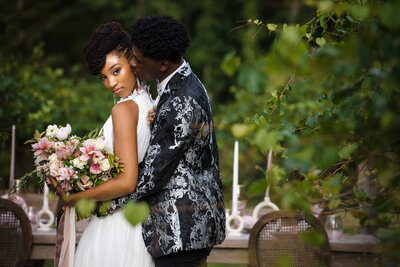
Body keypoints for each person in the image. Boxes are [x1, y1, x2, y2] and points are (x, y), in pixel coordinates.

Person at [108, 15, 226, 267]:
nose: (131, 62)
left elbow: (153, 175)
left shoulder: (182, 100)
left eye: (138, 60)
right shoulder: (184, 82)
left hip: (183, 230)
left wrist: (100, 201)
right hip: (184, 230)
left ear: (162, 64)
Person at [49, 22, 155, 267]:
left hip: (116, 229)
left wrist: (75, 197)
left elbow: (127, 181)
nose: (111, 83)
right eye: (104, 77)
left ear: (132, 60)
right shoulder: (149, 102)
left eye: (116, 71)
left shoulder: (124, 110)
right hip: (141, 225)